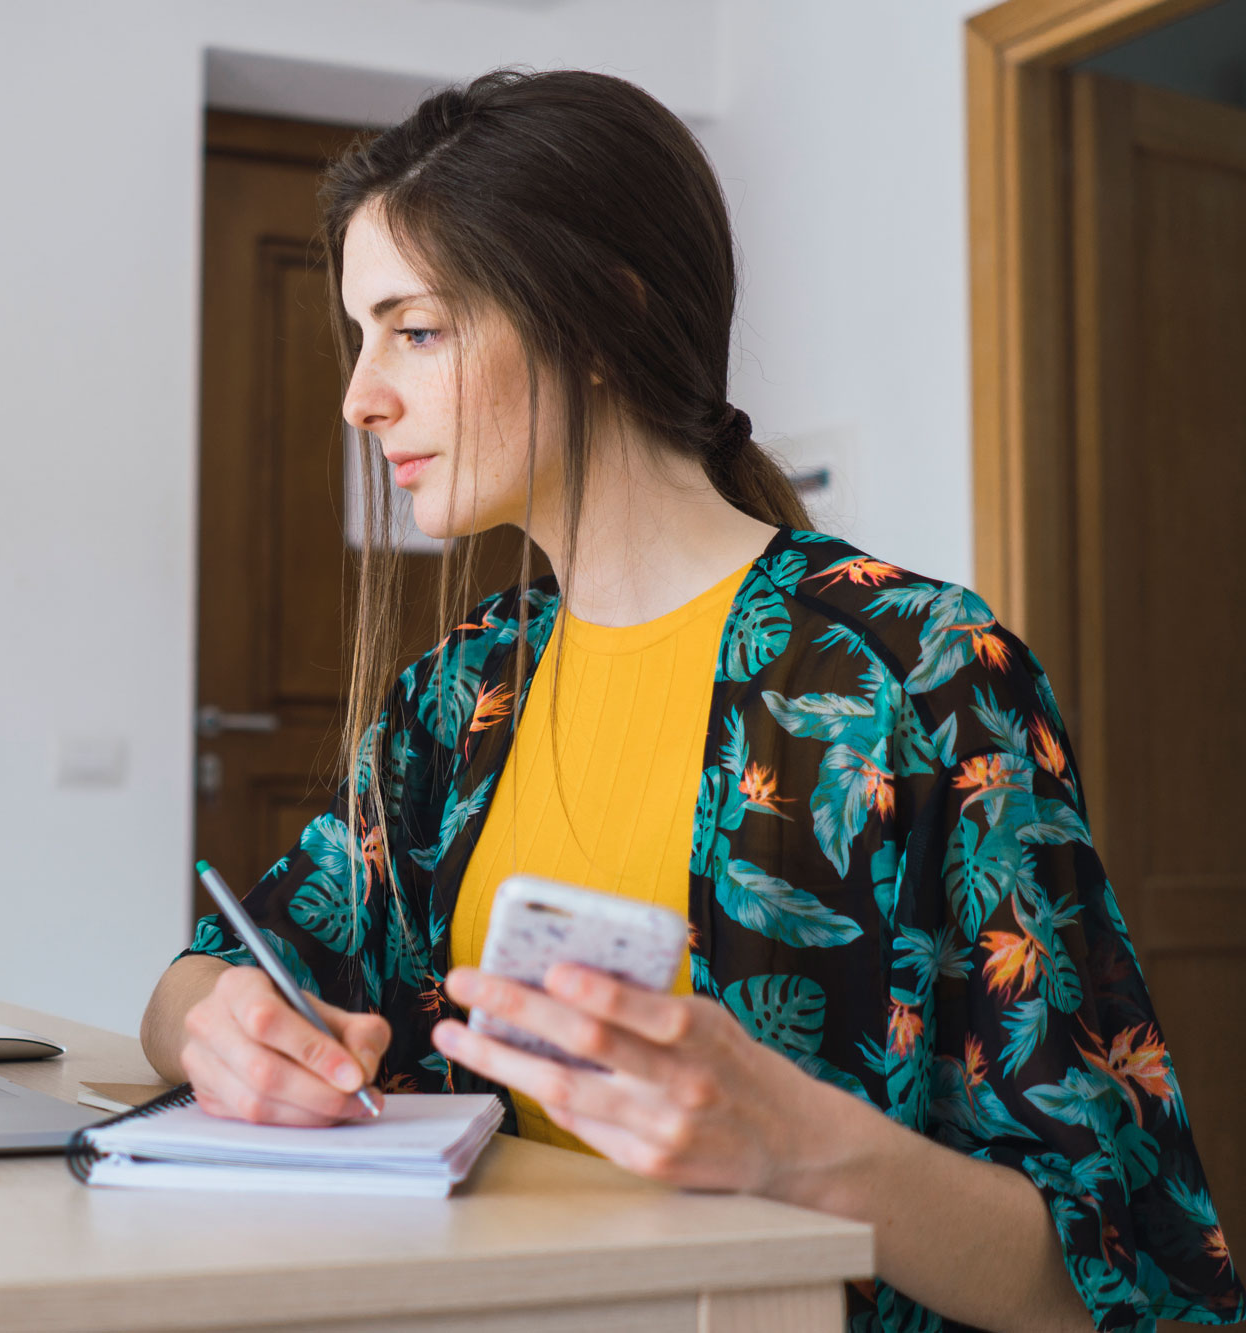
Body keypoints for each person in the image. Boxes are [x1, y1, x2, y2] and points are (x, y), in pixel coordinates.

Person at [139, 70, 1243, 1333]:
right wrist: (210, 1028)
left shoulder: (918, 679)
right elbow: (211, 973)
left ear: (602, 317)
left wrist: (792, 1147)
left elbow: (1125, 1283)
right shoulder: (455, 699)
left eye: (416, 329)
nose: (358, 395)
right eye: (360, 334)